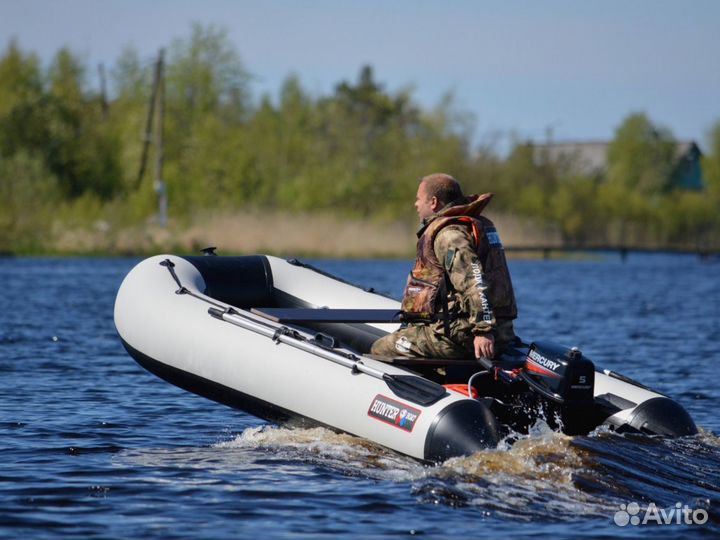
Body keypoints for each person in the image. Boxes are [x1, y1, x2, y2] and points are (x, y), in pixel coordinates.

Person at [370, 173, 517, 361]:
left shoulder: (449, 236)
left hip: (462, 339)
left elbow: (473, 280)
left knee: (379, 348)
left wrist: (483, 331)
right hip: (503, 334)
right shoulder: (473, 225)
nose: (415, 205)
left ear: (433, 202)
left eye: (418, 199)